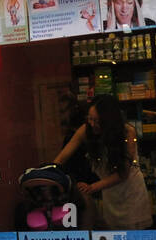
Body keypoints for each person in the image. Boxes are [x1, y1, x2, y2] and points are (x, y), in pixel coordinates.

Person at [53, 94, 151, 230]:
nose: (92, 124)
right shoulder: (86, 130)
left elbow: (123, 173)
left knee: (134, 239)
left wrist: (91, 187)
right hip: (109, 192)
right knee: (114, 237)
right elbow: (62, 157)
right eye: (90, 119)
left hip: (131, 193)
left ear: (109, 120)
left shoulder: (128, 132)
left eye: (97, 121)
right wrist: (50, 173)